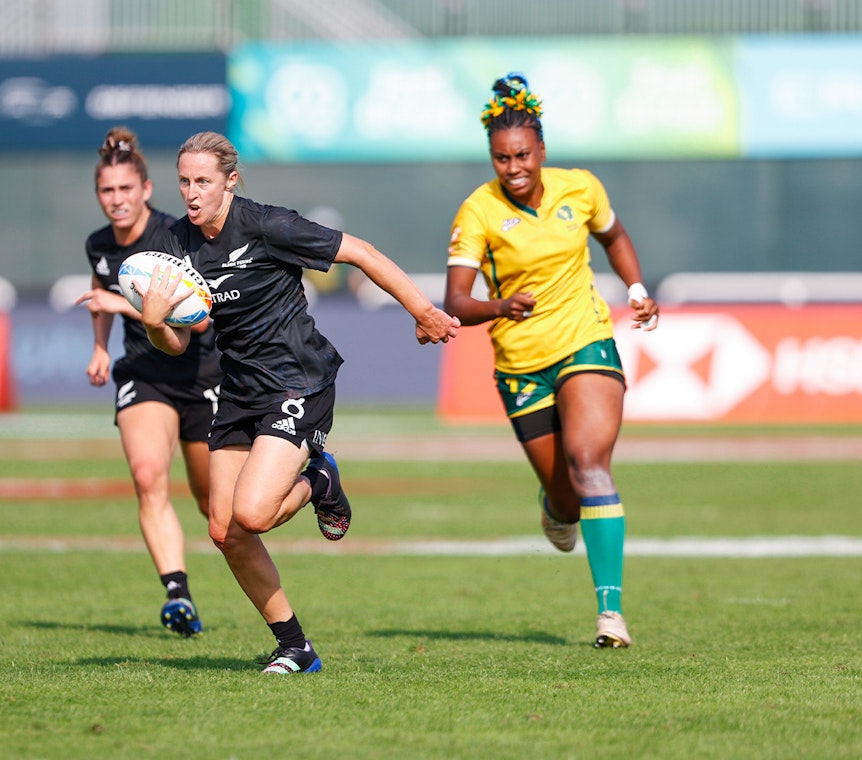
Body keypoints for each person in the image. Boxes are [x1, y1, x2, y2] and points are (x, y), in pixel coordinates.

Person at [137, 131, 460, 674]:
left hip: (298, 380)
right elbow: (180, 342)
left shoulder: (267, 225)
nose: (191, 193)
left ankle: (319, 479)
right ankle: (295, 647)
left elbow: (361, 253)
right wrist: (154, 324)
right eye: (185, 182)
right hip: (239, 390)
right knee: (224, 531)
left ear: (230, 182)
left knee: (253, 514)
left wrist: (423, 311)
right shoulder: (175, 244)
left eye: (204, 182)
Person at [442, 73, 660, 649]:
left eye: (522, 155)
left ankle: (610, 613)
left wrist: (636, 289)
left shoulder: (581, 189)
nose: (513, 168)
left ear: (541, 149)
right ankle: (556, 508)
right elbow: (456, 302)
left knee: (590, 463)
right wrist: (501, 306)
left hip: (586, 341)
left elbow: (614, 237)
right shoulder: (478, 211)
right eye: (501, 158)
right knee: (566, 498)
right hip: (520, 365)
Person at [76, 127, 222, 638]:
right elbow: (100, 293)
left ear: (146, 189)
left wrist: (123, 305)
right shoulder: (98, 245)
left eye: (125, 189)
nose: (116, 200)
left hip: (199, 374)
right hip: (144, 374)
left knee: (214, 505)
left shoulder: (173, 236)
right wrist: (100, 346)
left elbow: (198, 320)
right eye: (106, 191)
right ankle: (177, 593)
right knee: (146, 476)